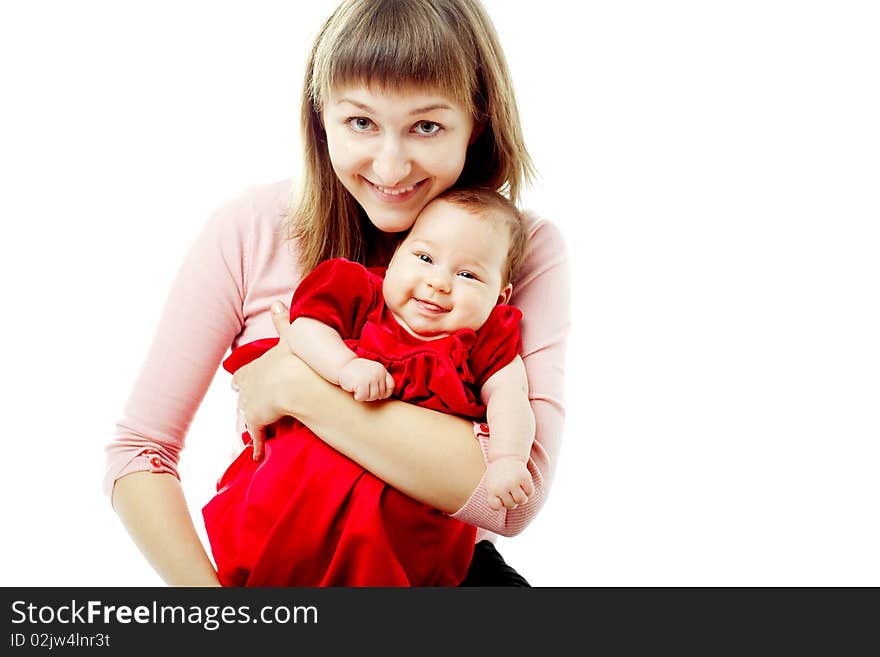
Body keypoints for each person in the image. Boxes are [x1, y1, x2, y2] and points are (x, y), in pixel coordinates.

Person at [104, 0, 569, 587]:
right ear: (321, 117)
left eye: (426, 125)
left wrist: (299, 387)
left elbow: (509, 503)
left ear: (476, 122)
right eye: (360, 123)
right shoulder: (252, 228)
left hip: (442, 578)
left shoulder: (517, 248)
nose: (391, 165)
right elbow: (140, 451)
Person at [203, 188, 535, 586]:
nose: (439, 282)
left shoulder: (485, 341)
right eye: (425, 258)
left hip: (398, 551)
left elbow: (511, 400)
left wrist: (508, 461)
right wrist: (345, 366)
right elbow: (304, 330)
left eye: (468, 275)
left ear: (500, 297)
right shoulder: (359, 294)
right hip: (287, 515)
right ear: (396, 254)